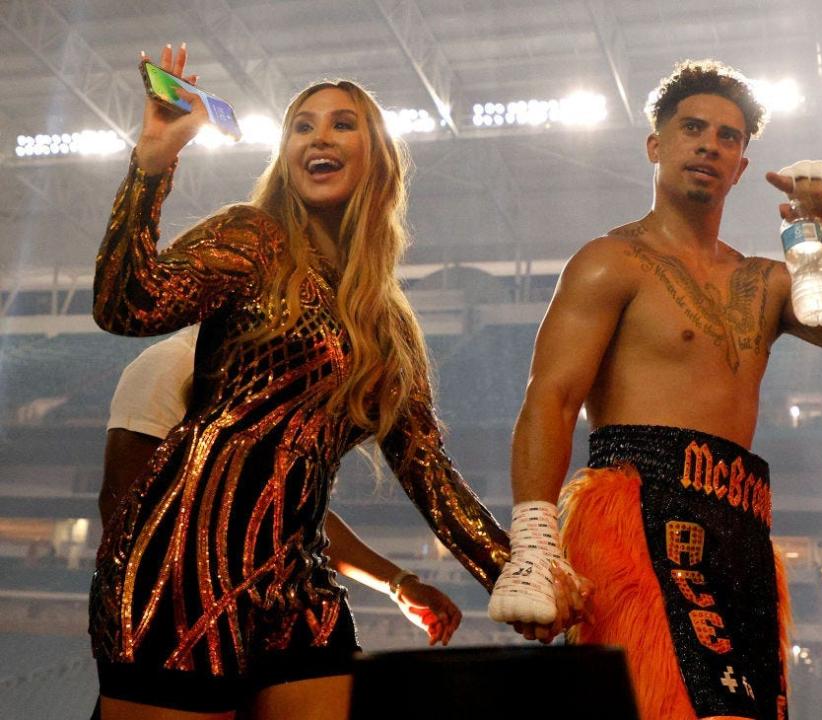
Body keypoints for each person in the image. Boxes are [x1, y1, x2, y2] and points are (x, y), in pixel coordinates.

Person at [488, 59, 822, 720]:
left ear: (742, 166)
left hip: (741, 529)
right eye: (693, 128)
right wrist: (532, 542)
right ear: (656, 145)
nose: (710, 144)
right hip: (637, 514)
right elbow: (549, 398)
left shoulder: (769, 282)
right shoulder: (611, 262)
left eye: (729, 137)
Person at [90, 43, 510, 720]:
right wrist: (153, 162)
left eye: (343, 123)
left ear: (378, 156)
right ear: (286, 156)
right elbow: (126, 305)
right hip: (182, 573)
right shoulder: (254, 238)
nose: (319, 135)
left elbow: (430, 474)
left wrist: (516, 577)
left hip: (298, 584)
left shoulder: (386, 324)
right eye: (302, 125)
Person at [101, 326, 463, 649]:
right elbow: (123, 507)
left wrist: (398, 583)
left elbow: (291, 514)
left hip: (290, 615)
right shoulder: (172, 363)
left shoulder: (291, 371)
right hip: (188, 623)